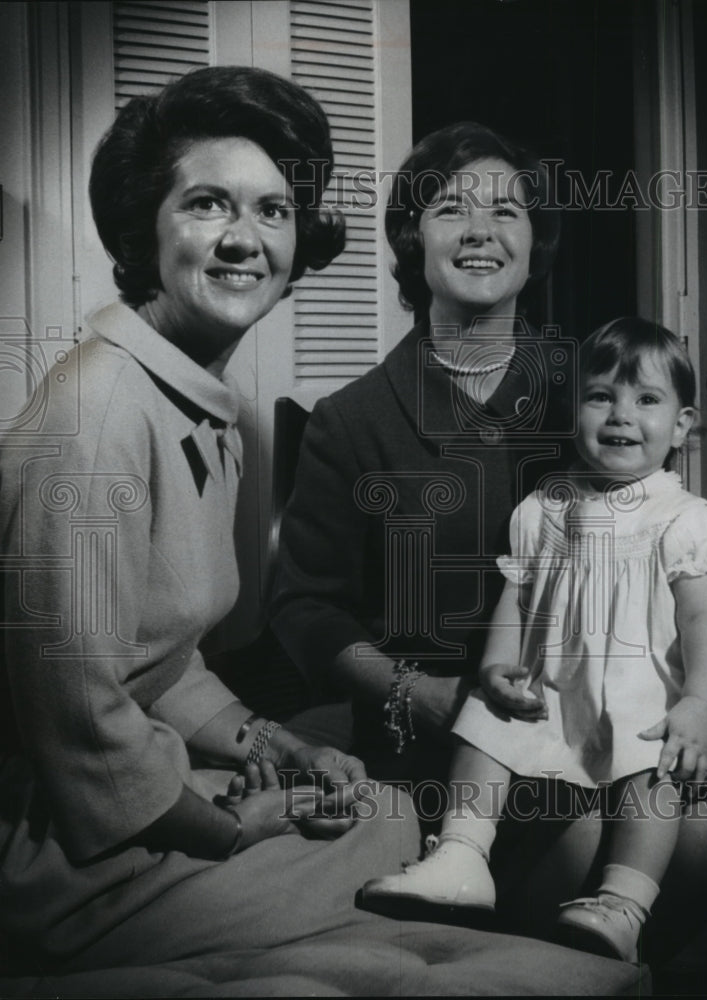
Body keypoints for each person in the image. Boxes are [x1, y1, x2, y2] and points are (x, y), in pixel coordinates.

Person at [0, 65, 419, 973]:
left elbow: (163, 652)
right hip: (47, 846)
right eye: (206, 205)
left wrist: (281, 745)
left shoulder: (193, 401)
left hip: (118, 794)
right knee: (396, 835)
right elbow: (81, 717)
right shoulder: (97, 418)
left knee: (385, 813)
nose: (244, 240)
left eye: (272, 211)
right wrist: (231, 828)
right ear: (144, 228)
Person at [359, 318, 707, 963]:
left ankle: (624, 904)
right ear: (576, 411)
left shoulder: (685, 521)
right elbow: (517, 595)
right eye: (601, 396)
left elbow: (706, 626)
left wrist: (700, 706)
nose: (621, 415)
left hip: (645, 691)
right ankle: (462, 853)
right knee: (485, 720)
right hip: (555, 685)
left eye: (646, 401)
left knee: (651, 769)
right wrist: (494, 666)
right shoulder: (546, 508)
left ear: (682, 426)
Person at [271, 121, 564, 785]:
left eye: (504, 211)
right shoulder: (349, 422)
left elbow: (670, 545)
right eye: (451, 208)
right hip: (429, 737)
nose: (479, 231)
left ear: (532, 241)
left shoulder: (590, 399)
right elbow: (304, 609)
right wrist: (414, 692)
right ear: (413, 238)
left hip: (584, 721)